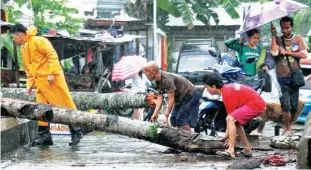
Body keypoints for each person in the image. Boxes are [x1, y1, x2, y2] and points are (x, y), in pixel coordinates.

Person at [10, 24, 83, 146]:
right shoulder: (23, 49)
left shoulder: (38, 40)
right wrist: (29, 84)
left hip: (52, 81)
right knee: (41, 111)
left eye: (13, 36)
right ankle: (45, 137)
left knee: (65, 106)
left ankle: (76, 132)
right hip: (40, 84)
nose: (13, 39)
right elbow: (29, 70)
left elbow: (52, 55)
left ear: (19, 35)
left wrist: (51, 73)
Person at [202, 73, 266, 159]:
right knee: (235, 122)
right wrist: (226, 136)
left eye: (207, 87)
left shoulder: (227, 93)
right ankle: (247, 149)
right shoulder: (226, 90)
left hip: (256, 105)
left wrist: (228, 137)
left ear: (213, 86)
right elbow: (231, 119)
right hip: (255, 104)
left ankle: (231, 150)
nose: (207, 90)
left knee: (231, 119)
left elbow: (230, 118)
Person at [270, 16, 308, 135]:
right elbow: (274, 52)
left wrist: (287, 52)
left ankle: (289, 125)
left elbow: (304, 55)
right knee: (285, 105)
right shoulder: (278, 39)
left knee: (294, 106)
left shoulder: (298, 39)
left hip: (295, 77)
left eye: (287, 28)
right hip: (281, 78)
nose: (285, 30)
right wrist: (273, 36)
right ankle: (288, 128)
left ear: (291, 27)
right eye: (282, 28)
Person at [142, 61, 201, 131]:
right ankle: (180, 137)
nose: (145, 74)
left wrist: (166, 115)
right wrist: (155, 114)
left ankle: (191, 139)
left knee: (181, 119)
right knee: (173, 119)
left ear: (152, 72)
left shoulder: (167, 80)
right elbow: (160, 98)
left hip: (191, 95)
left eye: (146, 72)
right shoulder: (157, 81)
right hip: (180, 97)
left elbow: (171, 100)